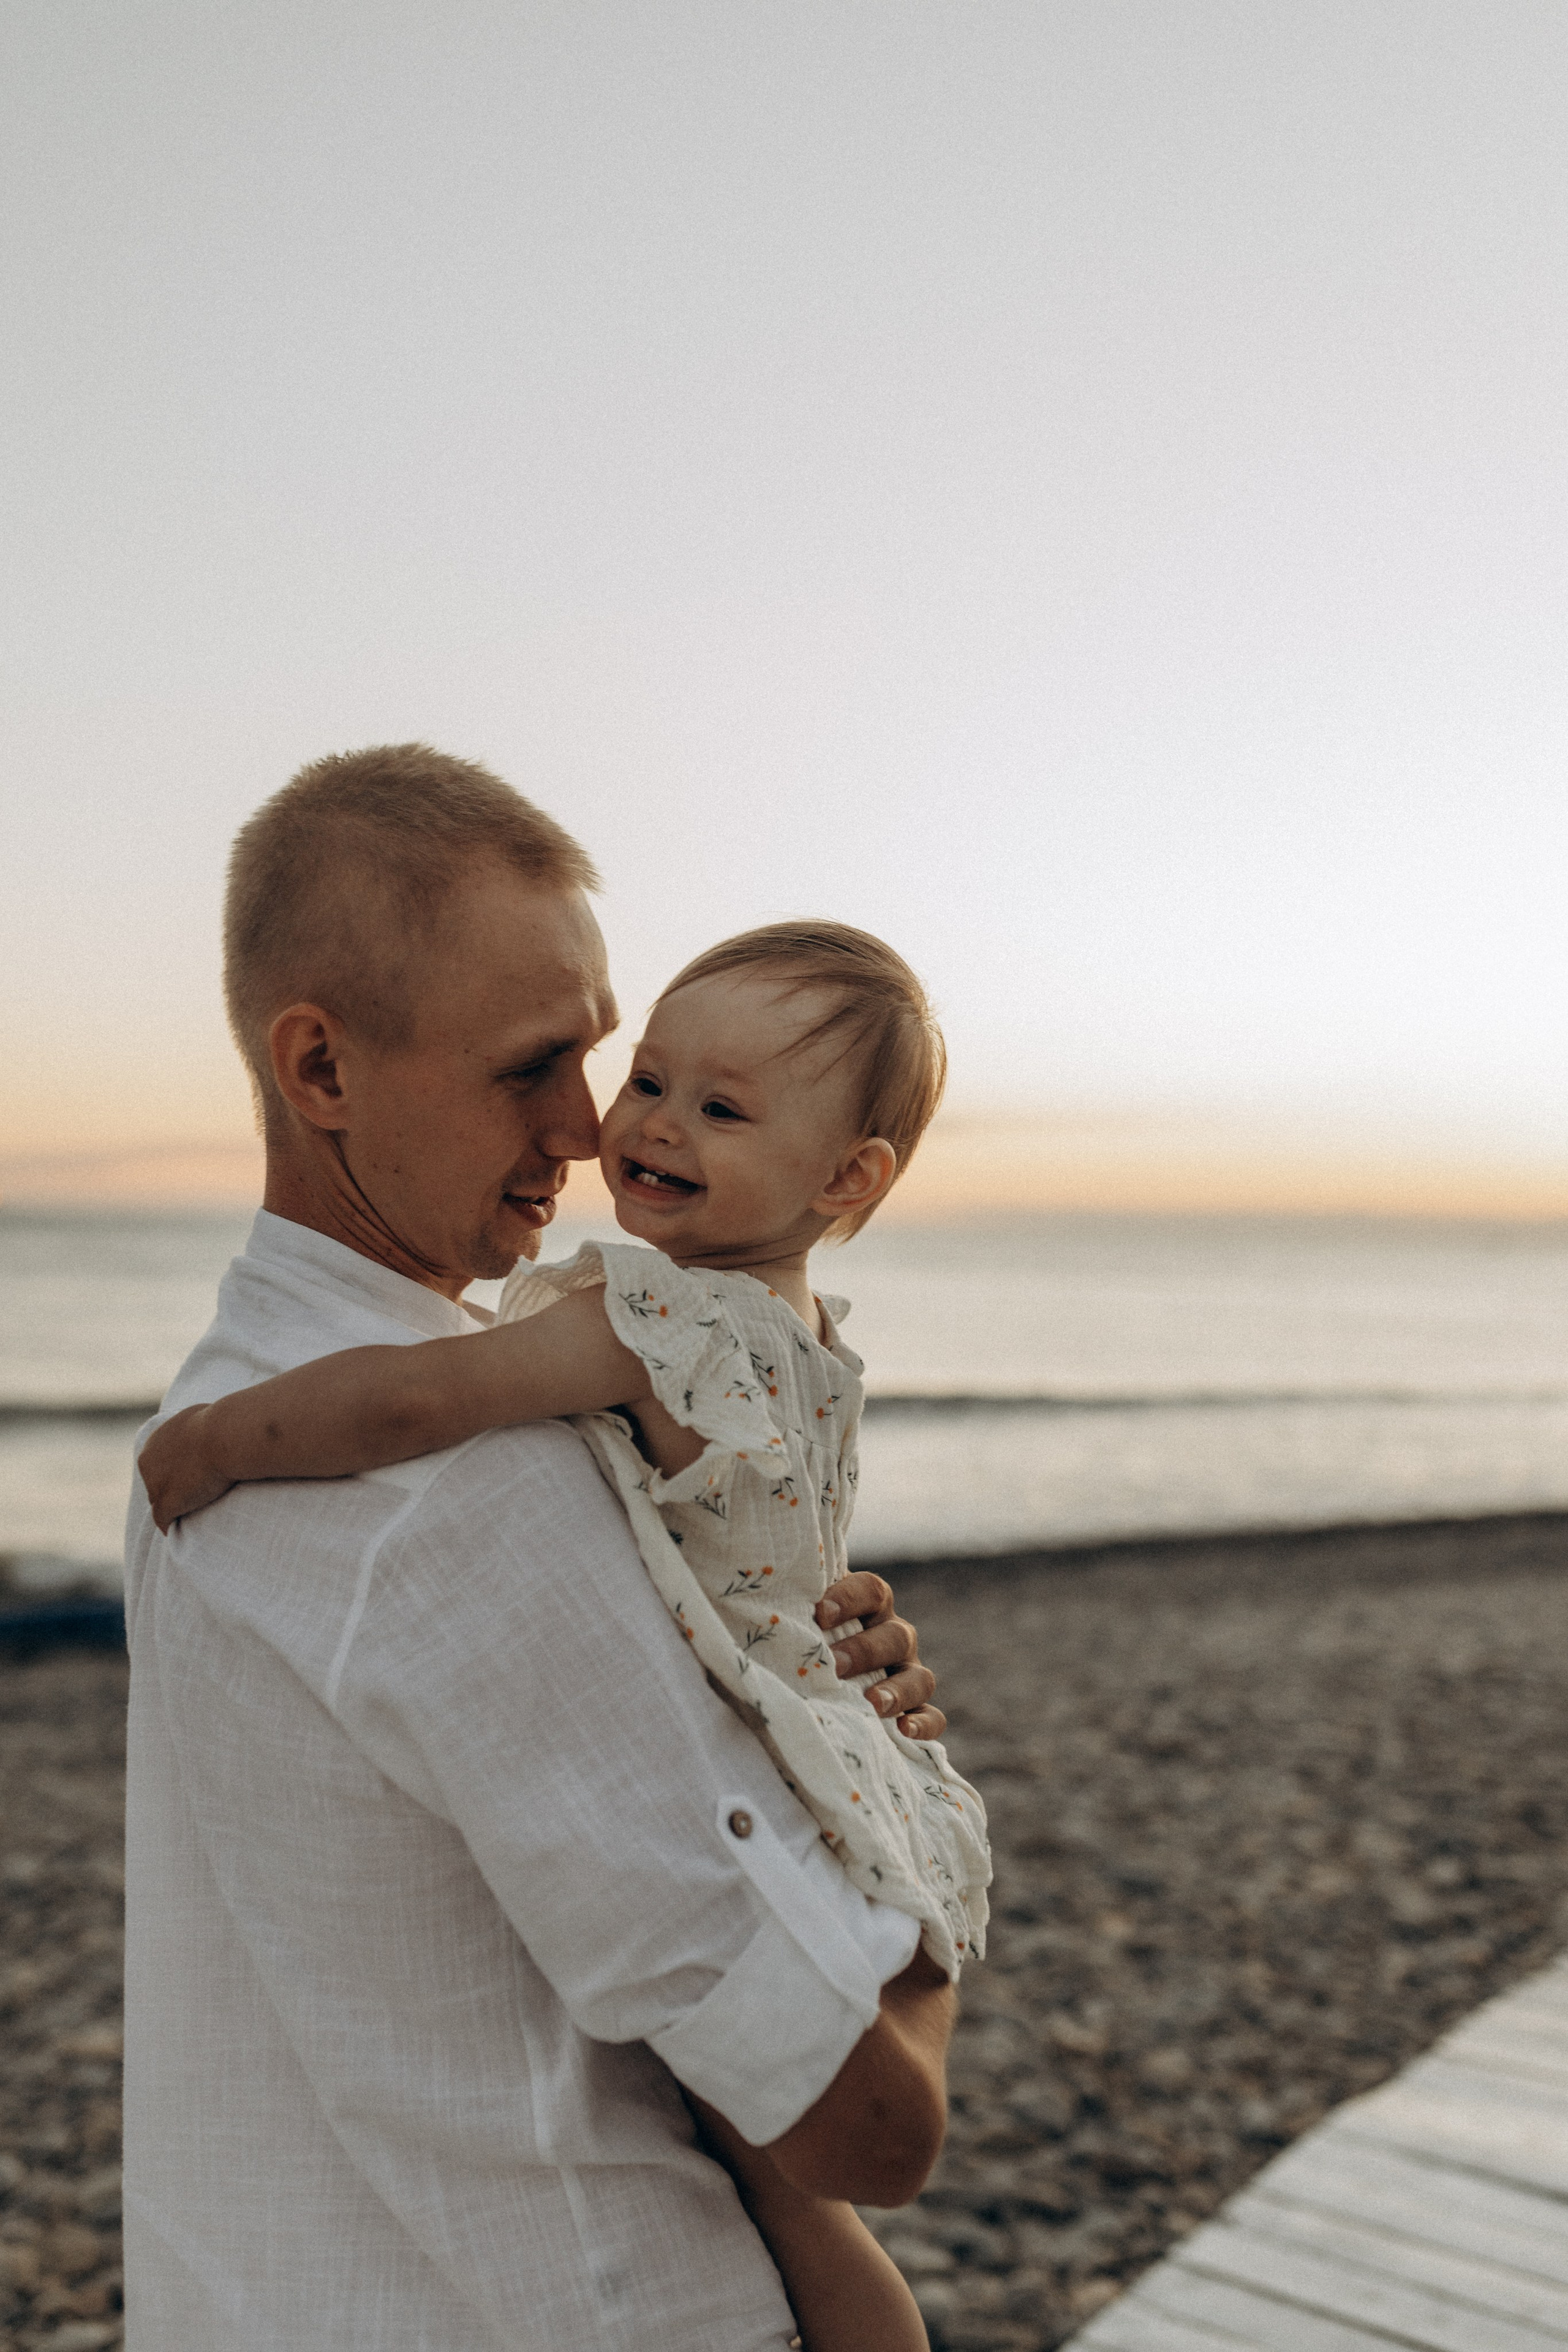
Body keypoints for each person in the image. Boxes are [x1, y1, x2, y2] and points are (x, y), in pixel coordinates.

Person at [124, 744, 957, 2352]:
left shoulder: (222, 1395)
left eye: (597, 1059)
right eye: (532, 1069)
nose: (588, 1131)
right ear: (321, 1069)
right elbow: (874, 2128)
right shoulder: (458, 1492)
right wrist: (918, 1863)